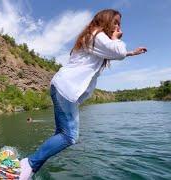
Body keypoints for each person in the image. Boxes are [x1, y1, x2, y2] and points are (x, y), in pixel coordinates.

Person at [19, 9, 147, 179]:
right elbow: (117, 51)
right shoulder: (97, 34)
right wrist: (117, 40)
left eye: (120, 24)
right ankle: (29, 164)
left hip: (61, 86)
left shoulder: (92, 37)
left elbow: (115, 53)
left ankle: (30, 169)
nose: (118, 27)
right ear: (106, 21)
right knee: (69, 136)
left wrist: (131, 52)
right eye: (115, 22)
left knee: (61, 133)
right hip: (67, 89)